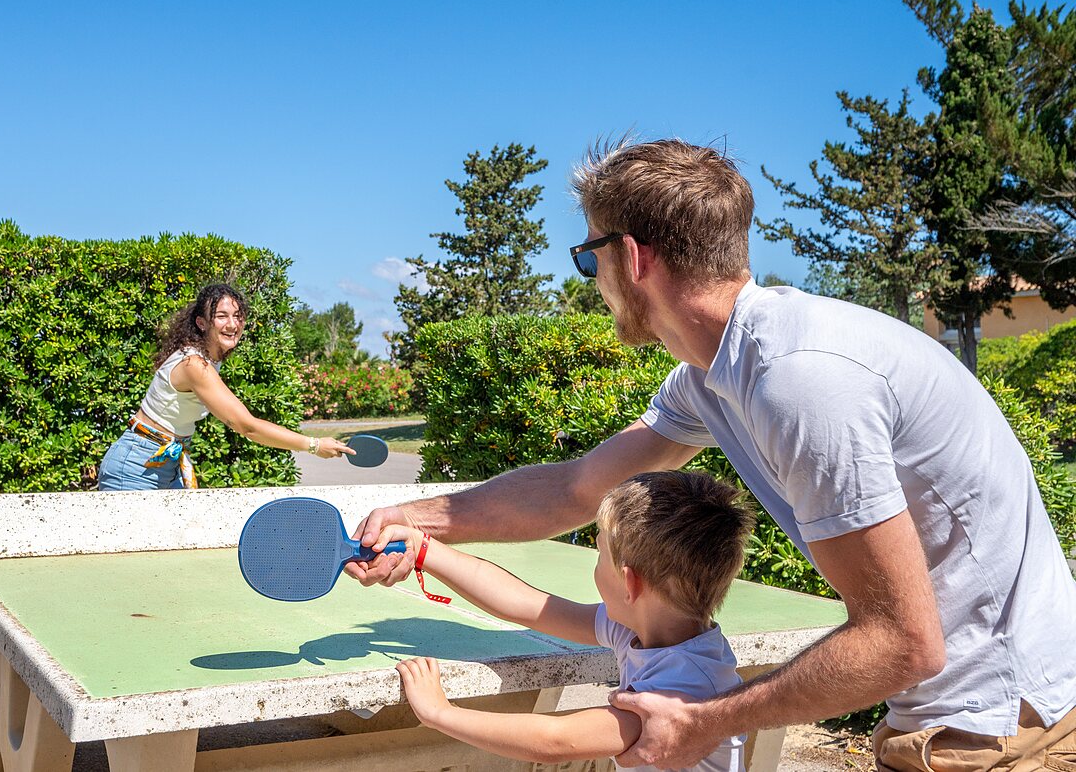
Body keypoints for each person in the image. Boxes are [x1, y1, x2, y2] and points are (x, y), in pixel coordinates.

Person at [348, 139, 1076, 770]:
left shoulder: (801, 383)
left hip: (997, 726)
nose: (591, 282)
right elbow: (576, 488)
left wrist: (703, 722)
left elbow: (903, 642)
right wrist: (417, 522)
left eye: (586, 256)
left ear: (630, 257)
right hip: (959, 718)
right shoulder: (712, 377)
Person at [386, 470, 754, 771]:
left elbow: (554, 740)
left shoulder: (682, 689)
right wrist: (424, 548)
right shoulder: (638, 631)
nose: (595, 564)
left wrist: (439, 713)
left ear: (629, 583)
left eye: (599, 553)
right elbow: (526, 605)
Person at [98, 283, 352, 490]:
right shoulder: (194, 365)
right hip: (135, 467)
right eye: (221, 316)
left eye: (237, 316)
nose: (232, 325)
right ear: (202, 323)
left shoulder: (209, 358)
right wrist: (314, 446)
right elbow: (247, 426)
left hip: (166, 460)